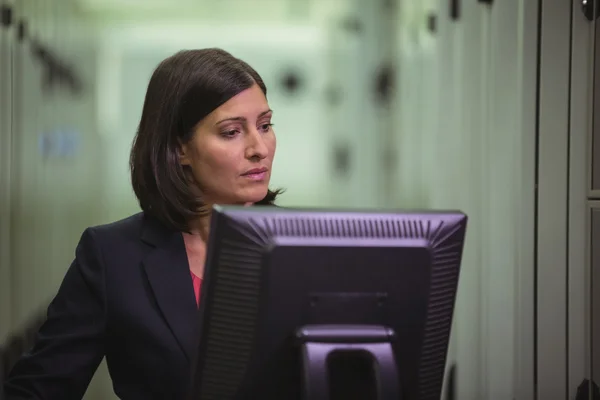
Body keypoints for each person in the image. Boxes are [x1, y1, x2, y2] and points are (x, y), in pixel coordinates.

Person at [3, 48, 282, 399]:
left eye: (265, 125)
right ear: (180, 148)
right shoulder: (112, 257)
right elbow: (36, 390)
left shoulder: (310, 251)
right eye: (231, 132)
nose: (260, 148)